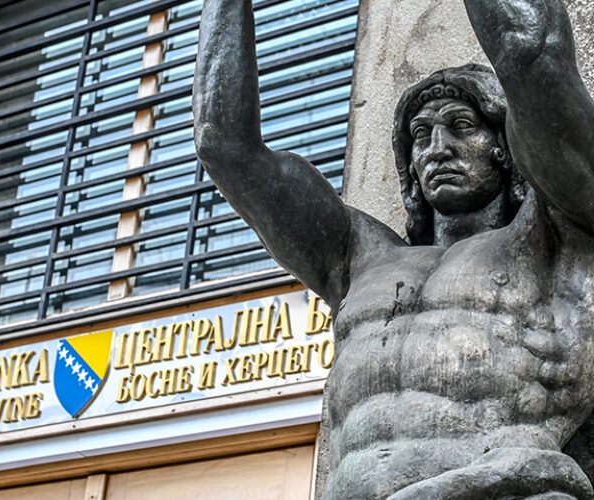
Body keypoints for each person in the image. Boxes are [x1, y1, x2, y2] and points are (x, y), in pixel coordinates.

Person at [192, 0, 594, 498]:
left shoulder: (556, 232)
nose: (437, 148)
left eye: (462, 126)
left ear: (505, 147)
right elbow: (224, 146)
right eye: (421, 134)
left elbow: (531, 52)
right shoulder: (359, 258)